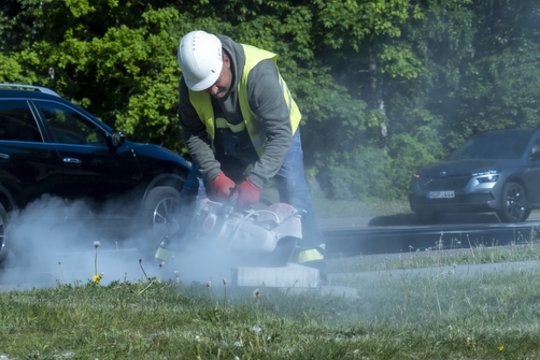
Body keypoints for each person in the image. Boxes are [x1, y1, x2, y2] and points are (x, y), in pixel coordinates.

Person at [176, 30, 325, 275]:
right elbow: (192, 134)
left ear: (225, 60)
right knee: (196, 194)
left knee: (293, 190)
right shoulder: (190, 82)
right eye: (205, 86)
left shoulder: (259, 74)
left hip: (276, 136)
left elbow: (279, 135)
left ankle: (313, 264)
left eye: (214, 82)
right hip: (225, 143)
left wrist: (255, 182)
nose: (212, 91)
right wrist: (214, 175)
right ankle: (185, 264)